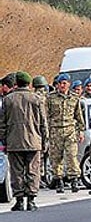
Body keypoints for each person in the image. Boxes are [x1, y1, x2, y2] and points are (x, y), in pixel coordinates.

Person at [0, 71, 48, 211]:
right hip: (34, 141)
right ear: (28, 83)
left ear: (16, 83)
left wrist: (4, 140)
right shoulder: (36, 99)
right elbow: (43, 123)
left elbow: (2, 123)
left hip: (14, 142)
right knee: (33, 170)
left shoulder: (8, 100)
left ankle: (19, 200)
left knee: (17, 171)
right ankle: (31, 200)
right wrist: (45, 141)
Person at [46, 73, 85, 193]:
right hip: (55, 131)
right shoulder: (50, 98)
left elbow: (79, 116)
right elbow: (46, 116)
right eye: (60, 83)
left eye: (64, 83)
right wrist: (46, 132)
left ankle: (74, 179)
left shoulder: (74, 98)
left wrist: (81, 131)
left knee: (72, 156)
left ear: (68, 84)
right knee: (56, 158)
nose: (62, 85)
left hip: (70, 131)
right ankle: (59, 181)